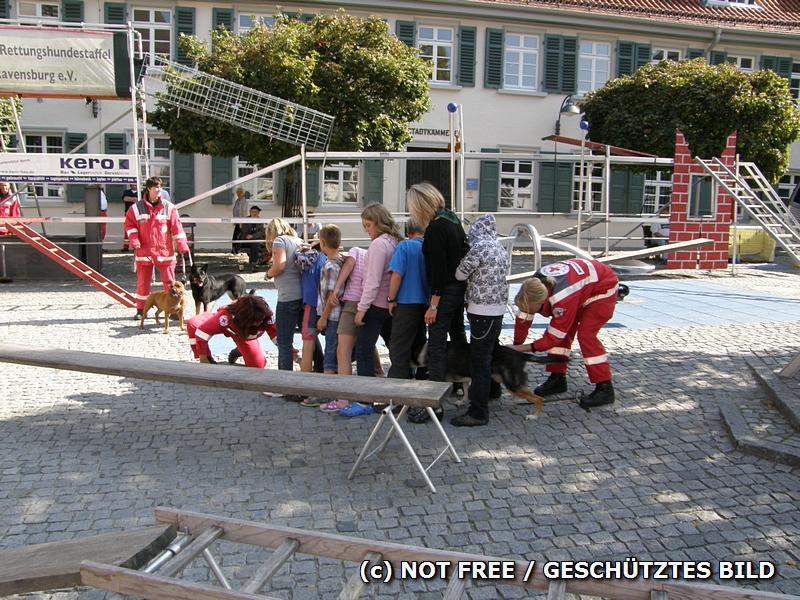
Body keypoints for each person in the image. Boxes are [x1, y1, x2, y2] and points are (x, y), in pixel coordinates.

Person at [511, 258, 619, 409]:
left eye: (530, 309)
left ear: (542, 301)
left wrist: (519, 350)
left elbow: (552, 339)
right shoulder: (531, 288)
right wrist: (516, 344)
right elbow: (524, 318)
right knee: (563, 332)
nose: (527, 312)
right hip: (582, 286)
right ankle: (558, 378)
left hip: (602, 287)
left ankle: (605, 387)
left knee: (586, 335)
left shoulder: (562, 298)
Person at [405, 182, 469, 423]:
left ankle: (435, 404)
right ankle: (462, 386)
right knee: (459, 337)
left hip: (445, 292)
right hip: (457, 289)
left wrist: (433, 305)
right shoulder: (452, 220)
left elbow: (439, 271)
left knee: (437, 344)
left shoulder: (436, 228)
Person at [447, 214, 509, 427]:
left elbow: (460, 275)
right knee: (490, 351)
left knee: (479, 360)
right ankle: (492, 390)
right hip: (498, 311)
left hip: (482, 312)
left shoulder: (479, 248)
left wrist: (462, 263)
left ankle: (478, 411)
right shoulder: (500, 248)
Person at [124, 176, 191, 320]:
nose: (159, 189)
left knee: (170, 283)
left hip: (164, 251)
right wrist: (135, 242)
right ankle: (141, 310)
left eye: (161, 186)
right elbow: (130, 226)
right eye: (156, 187)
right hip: (144, 251)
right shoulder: (135, 209)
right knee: (143, 282)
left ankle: (173, 308)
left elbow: (177, 229)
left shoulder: (169, 207)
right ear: (148, 189)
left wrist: (183, 247)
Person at [354, 203, 401, 378]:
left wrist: (361, 309)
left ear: (378, 222)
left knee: (364, 352)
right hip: (390, 303)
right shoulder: (394, 241)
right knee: (396, 351)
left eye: (368, 225)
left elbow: (372, 282)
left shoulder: (378, 245)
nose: (366, 230)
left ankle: (365, 399)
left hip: (375, 305)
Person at [264, 218, 305, 400]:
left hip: (287, 296)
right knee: (308, 335)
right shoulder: (298, 241)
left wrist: (268, 273)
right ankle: (318, 371)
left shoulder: (279, 241)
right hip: (302, 295)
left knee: (284, 340)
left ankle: (285, 386)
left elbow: (279, 265)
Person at [386, 219, 430, 380]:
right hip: (425, 303)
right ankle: (422, 386)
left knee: (398, 349)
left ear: (407, 232)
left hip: (406, 303)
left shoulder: (404, 246)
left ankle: (398, 397)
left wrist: (391, 299)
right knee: (420, 346)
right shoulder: (428, 247)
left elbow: (397, 275)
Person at [187, 294, 276, 368]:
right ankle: (209, 358)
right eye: (254, 320)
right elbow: (203, 332)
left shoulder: (266, 315)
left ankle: (240, 350)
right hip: (227, 326)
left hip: (243, 337)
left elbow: (278, 337)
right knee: (193, 324)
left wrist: (288, 352)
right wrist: (204, 357)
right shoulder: (226, 316)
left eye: (260, 319)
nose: (259, 322)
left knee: (257, 367)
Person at [315, 225, 346, 412]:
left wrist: (323, 317)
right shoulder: (342, 262)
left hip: (333, 316)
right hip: (337, 315)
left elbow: (331, 297)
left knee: (331, 352)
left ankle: (329, 391)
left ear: (323, 243)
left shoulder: (330, 266)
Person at [294, 238, 326, 407]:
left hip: (310, 305)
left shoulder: (307, 258)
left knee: (307, 346)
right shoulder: (326, 260)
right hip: (326, 307)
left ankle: (305, 386)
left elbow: (296, 255)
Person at [240, 205, 266, 271]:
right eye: (253, 211)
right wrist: (252, 238)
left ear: (258, 213)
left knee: (254, 245)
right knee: (254, 243)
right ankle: (259, 255)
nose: (254, 213)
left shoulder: (260, 221)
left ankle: (254, 264)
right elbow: (244, 232)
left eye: (256, 212)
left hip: (256, 241)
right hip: (247, 241)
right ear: (250, 212)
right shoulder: (246, 220)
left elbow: (261, 232)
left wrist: (253, 236)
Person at [121, 183, 139, 251]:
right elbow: (125, 198)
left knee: (137, 229)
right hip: (128, 213)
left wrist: (130, 199)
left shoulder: (141, 192)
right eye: (133, 185)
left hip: (137, 213)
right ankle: (126, 246)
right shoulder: (127, 192)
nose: (134, 186)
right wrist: (134, 199)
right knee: (127, 229)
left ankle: (135, 245)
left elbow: (140, 200)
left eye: (135, 185)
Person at [232, 188, 248, 254]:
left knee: (238, 236)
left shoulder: (244, 201)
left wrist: (243, 222)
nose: (239, 193)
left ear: (243, 193)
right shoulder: (237, 201)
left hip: (241, 222)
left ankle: (237, 250)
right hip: (237, 221)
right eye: (238, 192)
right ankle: (234, 250)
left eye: (240, 192)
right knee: (235, 236)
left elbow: (244, 212)